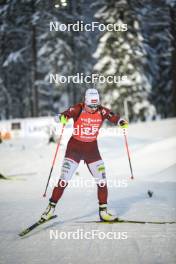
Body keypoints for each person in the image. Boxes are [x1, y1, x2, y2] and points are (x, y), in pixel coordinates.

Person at [41, 88, 128, 222]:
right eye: (90, 106)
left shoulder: (101, 110)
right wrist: (61, 118)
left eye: (95, 106)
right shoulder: (78, 108)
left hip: (92, 151)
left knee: (102, 181)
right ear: (85, 102)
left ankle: (103, 212)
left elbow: (114, 117)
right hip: (74, 149)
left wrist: (120, 121)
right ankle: (50, 209)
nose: (93, 109)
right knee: (64, 180)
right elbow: (61, 115)